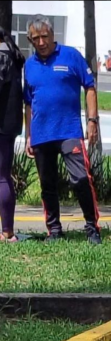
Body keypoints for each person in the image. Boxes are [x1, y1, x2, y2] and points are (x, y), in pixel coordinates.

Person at [23, 15, 102, 244]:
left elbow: (90, 87)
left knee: (80, 179)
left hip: (69, 131)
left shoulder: (71, 56)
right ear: (30, 40)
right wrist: (28, 135)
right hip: (41, 135)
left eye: (44, 37)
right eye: (35, 38)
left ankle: (92, 228)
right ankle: (55, 231)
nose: (41, 42)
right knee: (48, 185)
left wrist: (92, 121)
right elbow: (28, 103)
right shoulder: (29, 65)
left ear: (52, 34)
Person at [0, 27, 24, 243]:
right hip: (10, 125)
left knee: (1, 178)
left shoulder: (1, 56)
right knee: (3, 176)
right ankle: (7, 230)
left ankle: (7, 232)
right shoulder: (13, 55)